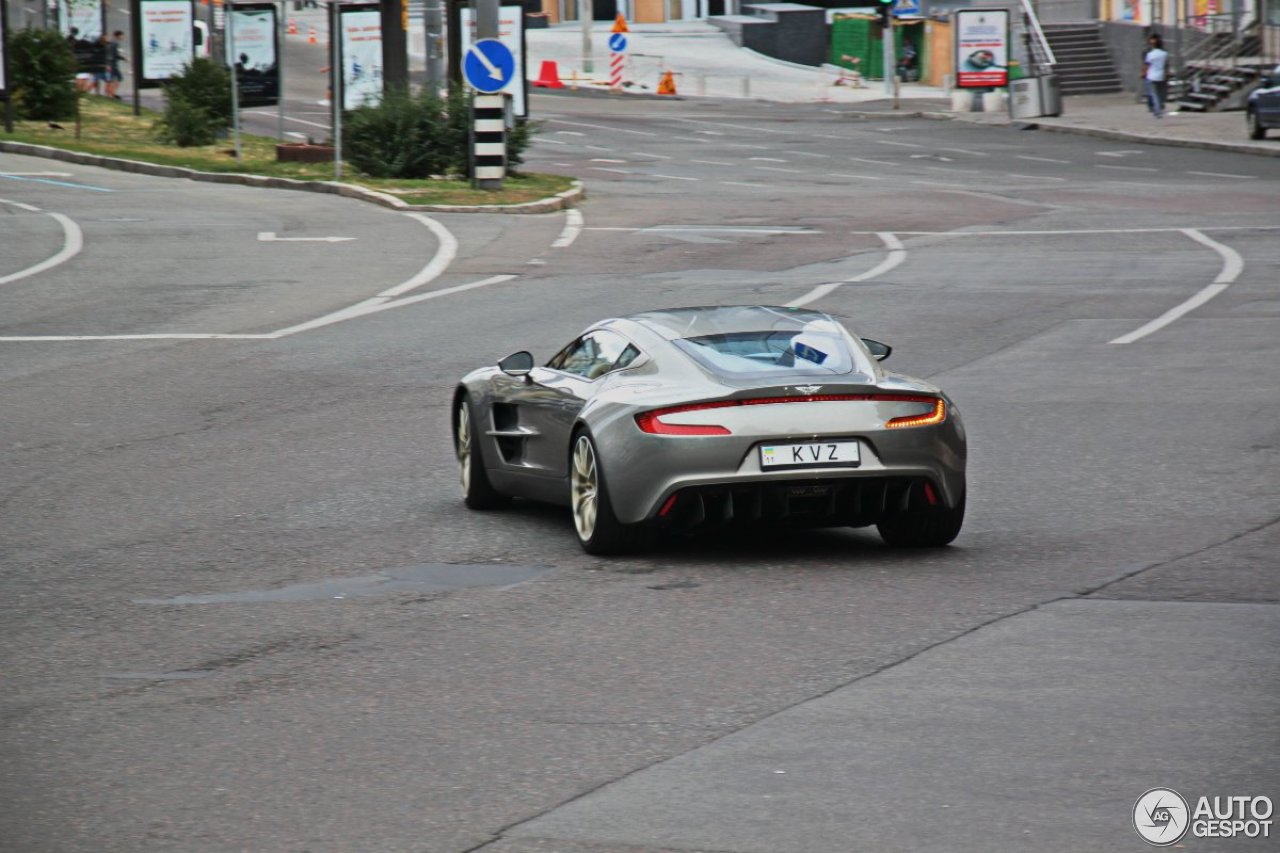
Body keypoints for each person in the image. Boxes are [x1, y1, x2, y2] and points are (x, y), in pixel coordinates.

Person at [1143, 34, 1169, 118]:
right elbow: (1166, 65)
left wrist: (1144, 73)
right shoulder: (1164, 54)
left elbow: (1147, 65)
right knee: (1161, 94)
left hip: (1151, 76)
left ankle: (1157, 111)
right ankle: (1160, 107)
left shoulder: (1150, 54)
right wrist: (1166, 74)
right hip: (1161, 75)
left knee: (1154, 94)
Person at [106, 31, 126, 100]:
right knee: (119, 78)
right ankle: (112, 93)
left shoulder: (111, 42)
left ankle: (111, 93)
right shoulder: (115, 43)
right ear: (118, 36)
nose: (123, 37)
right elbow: (114, 55)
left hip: (111, 63)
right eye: (122, 35)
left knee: (112, 79)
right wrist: (124, 59)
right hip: (113, 64)